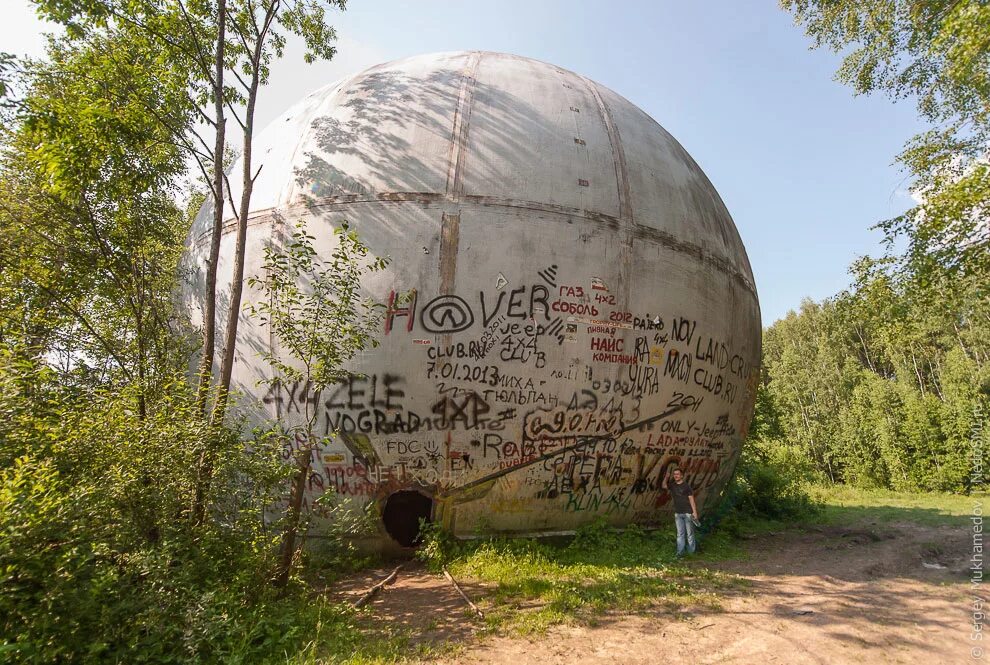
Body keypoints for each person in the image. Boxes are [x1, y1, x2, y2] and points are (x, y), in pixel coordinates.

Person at [665, 467, 699, 557]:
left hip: (688, 513)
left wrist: (694, 512)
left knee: (690, 534)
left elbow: (691, 500)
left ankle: (691, 553)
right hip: (678, 513)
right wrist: (666, 478)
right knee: (680, 534)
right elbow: (664, 486)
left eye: (677, 474)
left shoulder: (686, 486)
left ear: (682, 476)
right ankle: (680, 553)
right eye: (675, 474)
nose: (676, 476)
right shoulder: (672, 485)